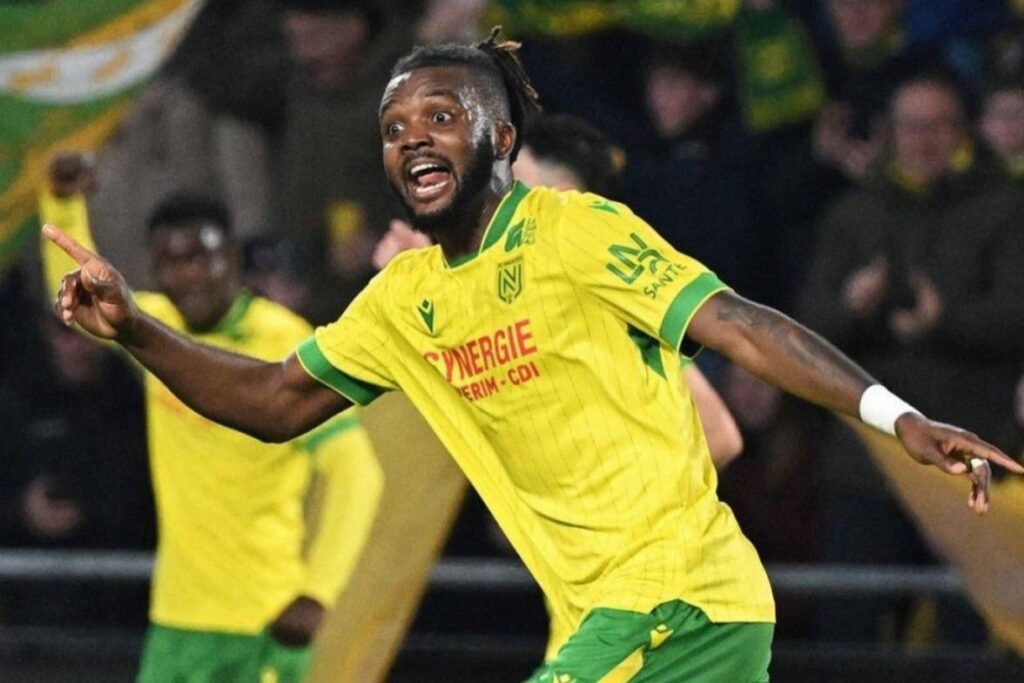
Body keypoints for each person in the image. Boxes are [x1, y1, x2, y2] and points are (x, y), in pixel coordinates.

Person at [43, 30, 1021, 683]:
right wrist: (135, 327)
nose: (411, 138)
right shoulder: (405, 300)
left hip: (676, 598)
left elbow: (738, 323)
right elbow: (270, 397)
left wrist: (899, 418)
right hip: (622, 613)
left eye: (438, 116)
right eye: (392, 127)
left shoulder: (576, 234)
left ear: (502, 136)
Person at [39, 156, 384, 683]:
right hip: (175, 619)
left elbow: (357, 471)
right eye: (171, 261)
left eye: (202, 256)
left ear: (235, 260)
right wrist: (63, 202)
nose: (188, 274)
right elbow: (75, 298)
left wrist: (319, 593)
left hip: (262, 620)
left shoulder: (284, 341)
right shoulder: (156, 331)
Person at [799, 73, 1024, 643]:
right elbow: (802, 329)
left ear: (964, 132)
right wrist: (851, 305)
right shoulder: (852, 213)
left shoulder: (1007, 208)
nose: (922, 139)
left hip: (971, 457)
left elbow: (1016, 316)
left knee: (967, 631)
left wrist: (942, 322)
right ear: (890, 133)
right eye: (910, 125)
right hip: (867, 461)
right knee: (847, 625)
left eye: (938, 125)